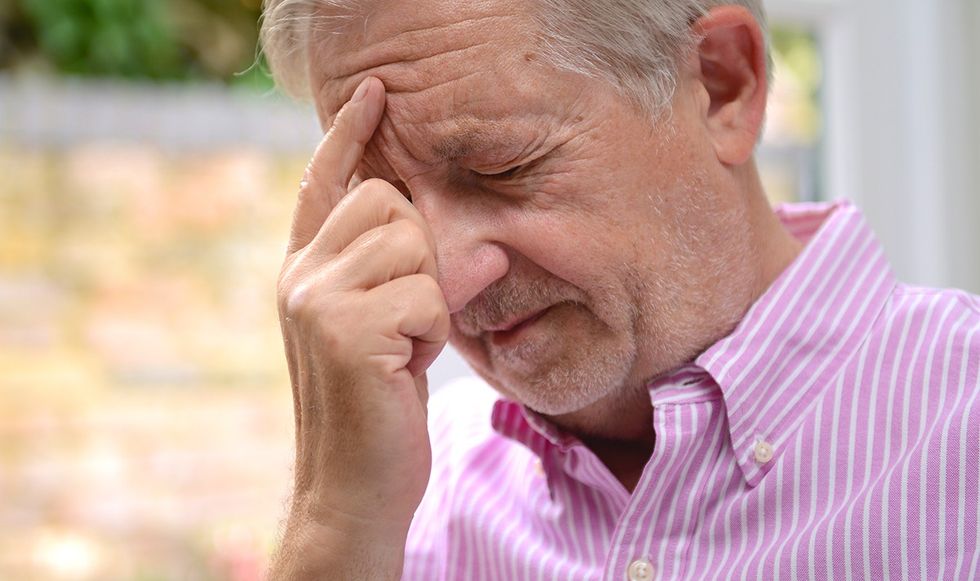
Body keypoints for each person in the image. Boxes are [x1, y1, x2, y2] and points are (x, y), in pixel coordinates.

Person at [260, 0, 980, 578]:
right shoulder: (405, 493)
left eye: (503, 168)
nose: (445, 284)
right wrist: (333, 523)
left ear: (723, 85)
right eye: (393, 200)